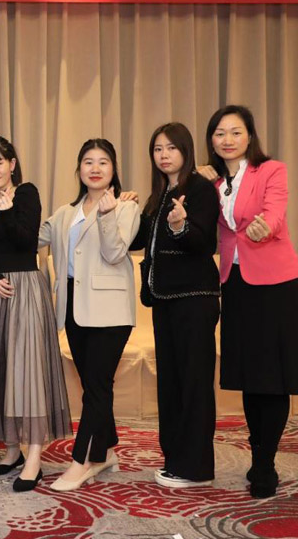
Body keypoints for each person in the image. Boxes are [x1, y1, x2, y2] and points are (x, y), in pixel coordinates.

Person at [198, 105, 298, 498]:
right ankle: (257, 452)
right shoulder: (212, 182)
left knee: (274, 376)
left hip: (276, 283)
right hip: (236, 284)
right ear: (211, 140)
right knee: (250, 375)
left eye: (235, 132)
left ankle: (265, 463)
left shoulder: (271, 170)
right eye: (219, 133)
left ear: (249, 136)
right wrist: (198, 186)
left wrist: (266, 226)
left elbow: (275, 212)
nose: (227, 140)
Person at [0, 135, 71, 493]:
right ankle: (12, 449)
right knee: (2, 369)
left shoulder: (26, 193)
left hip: (26, 289)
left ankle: (34, 458)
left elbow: (26, 240)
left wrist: (7, 209)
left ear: (12, 164)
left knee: (27, 373)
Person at [38, 138, 139, 492]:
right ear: (79, 169)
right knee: (96, 384)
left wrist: (108, 215)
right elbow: (31, 237)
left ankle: (81, 462)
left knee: (95, 387)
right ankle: (105, 450)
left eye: (103, 162)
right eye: (88, 162)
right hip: (73, 307)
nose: (95, 168)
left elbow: (114, 253)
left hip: (110, 310)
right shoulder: (65, 213)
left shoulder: (126, 208)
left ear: (113, 169)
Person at [130, 123, 220, 488]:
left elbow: (205, 242)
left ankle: (196, 468)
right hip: (165, 299)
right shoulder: (159, 194)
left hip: (195, 299)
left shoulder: (200, 189)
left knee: (194, 383)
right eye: (157, 149)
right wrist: (122, 211)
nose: (164, 155)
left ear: (186, 150)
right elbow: (138, 241)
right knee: (171, 383)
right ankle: (175, 459)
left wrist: (181, 226)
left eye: (171, 147)